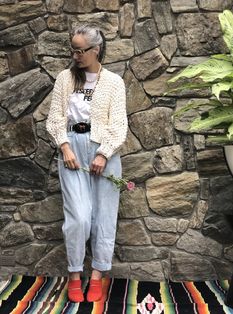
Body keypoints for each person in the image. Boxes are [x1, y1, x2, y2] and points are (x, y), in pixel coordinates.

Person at [46, 24, 128, 303]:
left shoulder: (114, 82)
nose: (76, 55)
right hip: (72, 152)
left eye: (80, 51)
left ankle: (97, 275)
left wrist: (104, 153)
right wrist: (65, 146)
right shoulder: (64, 78)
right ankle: (73, 274)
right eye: (73, 50)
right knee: (78, 217)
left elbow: (119, 125)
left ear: (96, 50)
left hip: (104, 152)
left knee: (104, 217)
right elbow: (54, 118)